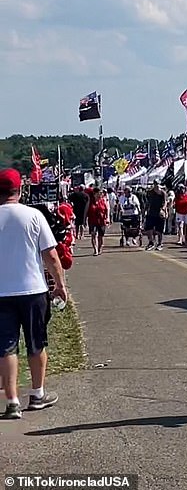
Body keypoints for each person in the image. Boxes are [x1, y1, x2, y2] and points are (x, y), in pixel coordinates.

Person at [0, 168, 66, 419]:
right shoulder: (33, 216)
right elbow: (50, 255)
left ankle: (12, 400)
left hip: (2, 291)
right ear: (20, 190)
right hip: (33, 289)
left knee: (6, 346)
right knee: (36, 342)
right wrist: (60, 284)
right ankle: (37, 394)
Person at [87, 186, 110, 256]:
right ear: (95, 194)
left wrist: (108, 218)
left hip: (102, 220)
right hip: (92, 220)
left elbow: (107, 209)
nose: (101, 194)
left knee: (101, 236)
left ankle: (100, 248)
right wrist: (84, 220)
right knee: (93, 234)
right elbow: (86, 210)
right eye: (99, 193)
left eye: (101, 193)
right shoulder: (90, 201)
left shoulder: (103, 200)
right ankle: (95, 249)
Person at [144, 181, 166, 251]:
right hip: (151, 212)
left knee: (159, 230)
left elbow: (165, 202)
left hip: (159, 212)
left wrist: (163, 209)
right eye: (155, 184)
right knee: (149, 228)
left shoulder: (162, 193)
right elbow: (147, 202)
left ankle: (160, 243)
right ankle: (151, 242)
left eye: (158, 184)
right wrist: (145, 210)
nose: (156, 185)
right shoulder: (150, 192)